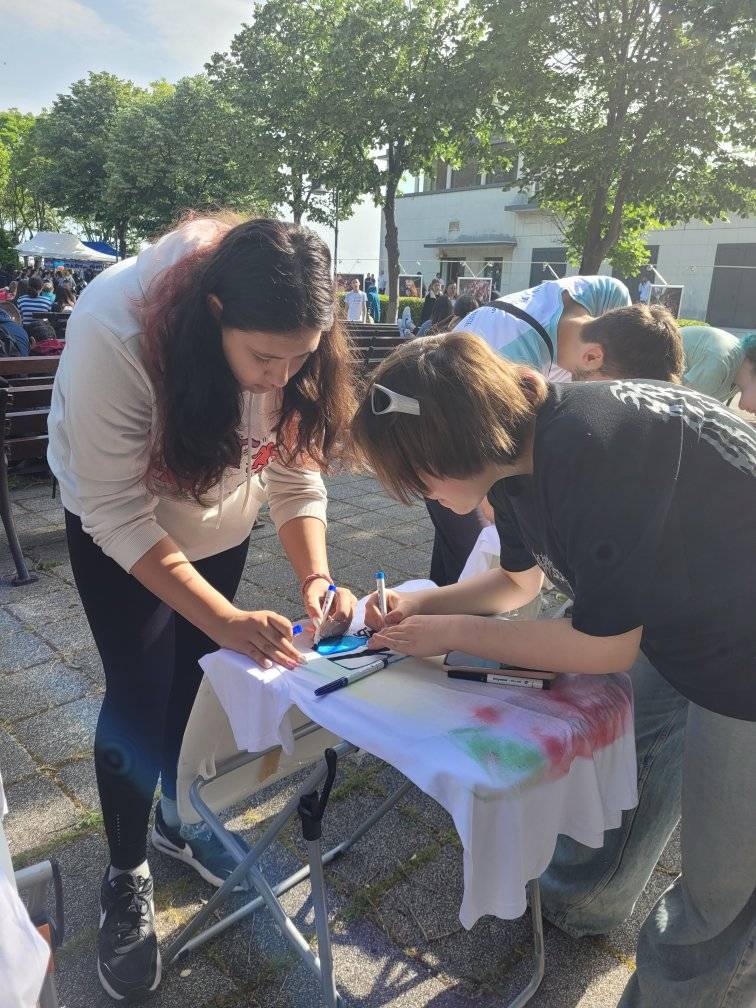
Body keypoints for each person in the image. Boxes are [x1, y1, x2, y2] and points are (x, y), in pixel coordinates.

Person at [352, 331, 756, 1008]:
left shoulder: (587, 452)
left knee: (723, 894)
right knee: (629, 750)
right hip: (691, 614)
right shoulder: (518, 449)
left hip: (743, 652)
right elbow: (517, 583)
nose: (421, 495)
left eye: (419, 478)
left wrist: (450, 634)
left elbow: (604, 647)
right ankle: (583, 904)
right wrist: (420, 604)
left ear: (455, 443)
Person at [47, 215, 359, 1000]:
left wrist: (316, 579)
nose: (281, 380)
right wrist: (223, 618)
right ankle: (125, 872)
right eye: (263, 359)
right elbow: (116, 511)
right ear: (214, 313)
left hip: (219, 519)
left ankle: (178, 821)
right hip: (123, 526)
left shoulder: (288, 340)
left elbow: (294, 475)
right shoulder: (114, 328)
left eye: (301, 358)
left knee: (194, 678)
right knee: (140, 689)